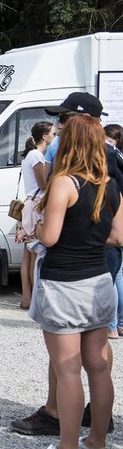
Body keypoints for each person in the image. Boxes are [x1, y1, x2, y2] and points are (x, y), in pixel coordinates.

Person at [11, 93, 120, 436]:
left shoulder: (69, 176)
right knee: (97, 364)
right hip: (99, 273)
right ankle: (95, 439)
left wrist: (38, 226)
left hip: (70, 272)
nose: (56, 129)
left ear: (77, 127)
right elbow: (116, 232)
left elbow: (52, 235)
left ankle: (64, 434)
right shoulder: (109, 174)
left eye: (62, 122)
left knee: (69, 364)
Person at [15, 122, 54, 310]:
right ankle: (35, 300)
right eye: (53, 133)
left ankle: (26, 298)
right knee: (36, 253)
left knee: (27, 255)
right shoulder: (37, 156)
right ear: (45, 136)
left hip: (29, 206)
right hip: (37, 206)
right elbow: (44, 184)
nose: (55, 136)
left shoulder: (29, 155)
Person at [105, 123, 123, 340]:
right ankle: (119, 323)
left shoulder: (110, 177)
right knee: (119, 276)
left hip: (113, 226)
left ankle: (111, 326)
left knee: (110, 279)